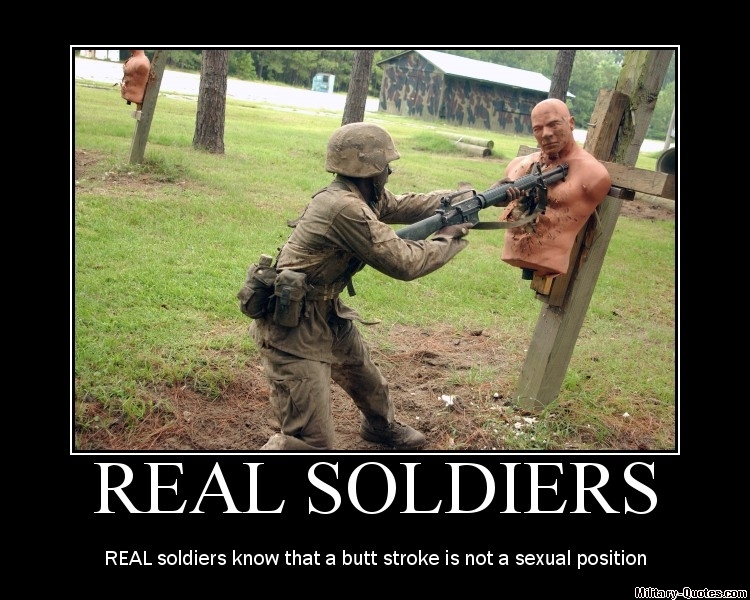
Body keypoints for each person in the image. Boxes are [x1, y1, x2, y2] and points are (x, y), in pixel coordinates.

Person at [249, 122, 473, 451]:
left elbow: (406, 204)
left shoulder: (358, 195)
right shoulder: (346, 209)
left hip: (325, 312)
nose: (389, 172)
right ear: (370, 168)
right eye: (386, 165)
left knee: (367, 381)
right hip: (292, 329)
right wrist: (448, 237)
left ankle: (379, 428)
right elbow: (405, 262)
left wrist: (466, 199)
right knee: (312, 443)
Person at [497, 98, 611, 278]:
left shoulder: (592, 174)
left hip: (550, 260)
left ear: (571, 123)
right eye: (538, 129)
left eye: (554, 124)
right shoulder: (517, 165)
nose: (546, 134)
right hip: (512, 252)